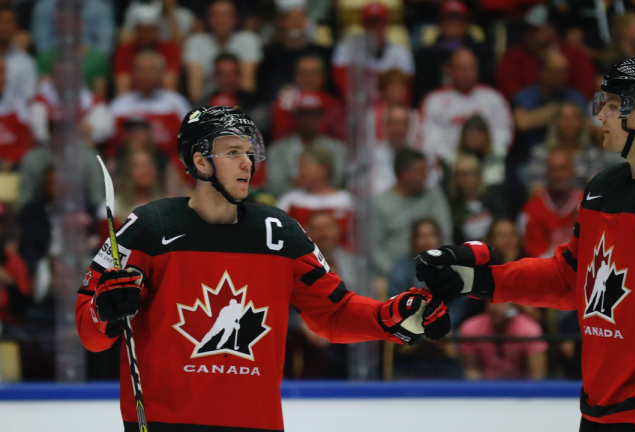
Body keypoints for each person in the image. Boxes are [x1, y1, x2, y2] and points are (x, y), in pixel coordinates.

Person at [417, 58, 635, 430]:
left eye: (610, 104)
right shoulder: (601, 188)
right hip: (600, 406)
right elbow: (569, 279)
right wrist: (478, 279)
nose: (600, 116)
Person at [74, 106, 451, 431]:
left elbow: (333, 313)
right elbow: (91, 335)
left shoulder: (280, 233)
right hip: (164, 422)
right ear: (200, 161)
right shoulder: (147, 228)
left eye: (250, 152)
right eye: (233, 151)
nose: (247, 163)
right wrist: (104, 310)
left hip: (255, 423)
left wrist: (390, 317)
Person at [420, 48, 512, 164]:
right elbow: (429, 140)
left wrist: (486, 156)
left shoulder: (493, 98)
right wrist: (454, 160)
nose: (467, 73)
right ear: (449, 69)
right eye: (461, 68)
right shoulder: (434, 100)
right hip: (448, 166)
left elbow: (504, 135)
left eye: (471, 67)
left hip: (488, 163)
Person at [373, 148, 452, 274]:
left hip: (434, 267)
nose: (426, 176)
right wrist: (392, 272)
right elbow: (375, 248)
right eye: (420, 172)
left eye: (426, 171)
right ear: (404, 174)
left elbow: (445, 234)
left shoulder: (434, 196)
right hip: (395, 272)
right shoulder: (380, 204)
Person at [495, 4, 595, 102]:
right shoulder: (513, 57)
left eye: (537, 29)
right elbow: (509, 92)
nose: (532, 35)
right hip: (529, 111)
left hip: (570, 110)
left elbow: (587, 89)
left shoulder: (574, 54)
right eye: (529, 29)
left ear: (553, 29)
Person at [109, 50, 191, 160]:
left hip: (169, 163)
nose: (145, 76)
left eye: (150, 71)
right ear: (133, 73)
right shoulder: (119, 105)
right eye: (140, 70)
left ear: (161, 74)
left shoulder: (176, 103)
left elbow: (190, 139)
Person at [266, 90, 347, 197]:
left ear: (321, 117)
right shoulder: (278, 149)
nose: (308, 119)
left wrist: (307, 182)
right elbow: (275, 185)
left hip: (328, 201)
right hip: (288, 204)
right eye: (303, 114)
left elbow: (340, 180)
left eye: (314, 115)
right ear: (295, 117)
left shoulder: (337, 148)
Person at [527, 102, 620, 194]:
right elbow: (536, 190)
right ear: (555, 122)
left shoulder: (592, 154)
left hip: (581, 205)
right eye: (563, 117)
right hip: (548, 205)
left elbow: (595, 191)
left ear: (581, 123)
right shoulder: (540, 153)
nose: (568, 122)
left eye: (573, 117)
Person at [183, 0, 262, 103]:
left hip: (240, 102)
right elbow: (195, 90)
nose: (221, 20)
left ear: (235, 19)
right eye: (216, 16)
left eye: (226, 15)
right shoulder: (195, 42)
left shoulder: (248, 40)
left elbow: (247, 83)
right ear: (208, 19)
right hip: (207, 102)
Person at [331, 2, 414, 98]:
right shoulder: (346, 50)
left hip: (388, 108)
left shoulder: (401, 53)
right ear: (363, 25)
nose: (376, 28)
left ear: (386, 24)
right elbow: (343, 89)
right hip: (359, 107)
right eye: (371, 23)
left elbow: (406, 92)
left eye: (380, 23)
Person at [276, 147, 352, 247]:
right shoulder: (289, 200)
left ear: (324, 169)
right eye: (300, 167)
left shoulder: (346, 200)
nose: (301, 172)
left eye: (305, 167)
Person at [513, 49, 588, 149]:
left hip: (569, 153)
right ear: (542, 73)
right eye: (557, 72)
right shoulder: (527, 96)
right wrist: (559, 110)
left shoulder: (574, 96)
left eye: (565, 71)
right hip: (532, 154)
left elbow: (588, 125)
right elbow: (522, 123)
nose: (564, 77)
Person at [459, 301, 548, 380]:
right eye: (490, 301)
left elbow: (537, 374)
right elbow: (470, 369)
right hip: (483, 389)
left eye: (501, 303)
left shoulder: (530, 329)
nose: (494, 307)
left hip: (521, 389)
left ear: (513, 308)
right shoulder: (470, 327)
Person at [518, 149, 582, 258]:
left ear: (573, 170)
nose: (558, 175)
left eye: (563, 168)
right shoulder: (531, 210)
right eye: (553, 169)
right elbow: (534, 254)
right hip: (545, 272)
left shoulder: (589, 204)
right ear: (546, 173)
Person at [113, 5, 182, 95]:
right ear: (136, 31)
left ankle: (168, 105)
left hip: (161, 95)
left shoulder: (170, 49)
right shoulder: (124, 50)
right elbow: (122, 80)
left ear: (157, 31)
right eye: (143, 30)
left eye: (151, 31)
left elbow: (170, 78)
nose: (147, 35)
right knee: (123, 81)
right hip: (133, 96)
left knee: (168, 80)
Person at [449, 153, 505, 244]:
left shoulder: (494, 199)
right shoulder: (451, 208)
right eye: (461, 174)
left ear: (479, 175)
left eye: (470, 173)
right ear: (455, 179)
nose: (466, 179)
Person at [0, 5, 36, 101]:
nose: (4, 27)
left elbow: (29, 98)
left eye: (9, 22)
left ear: (15, 27)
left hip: (15, 114)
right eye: (1, 22)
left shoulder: (26, 62)